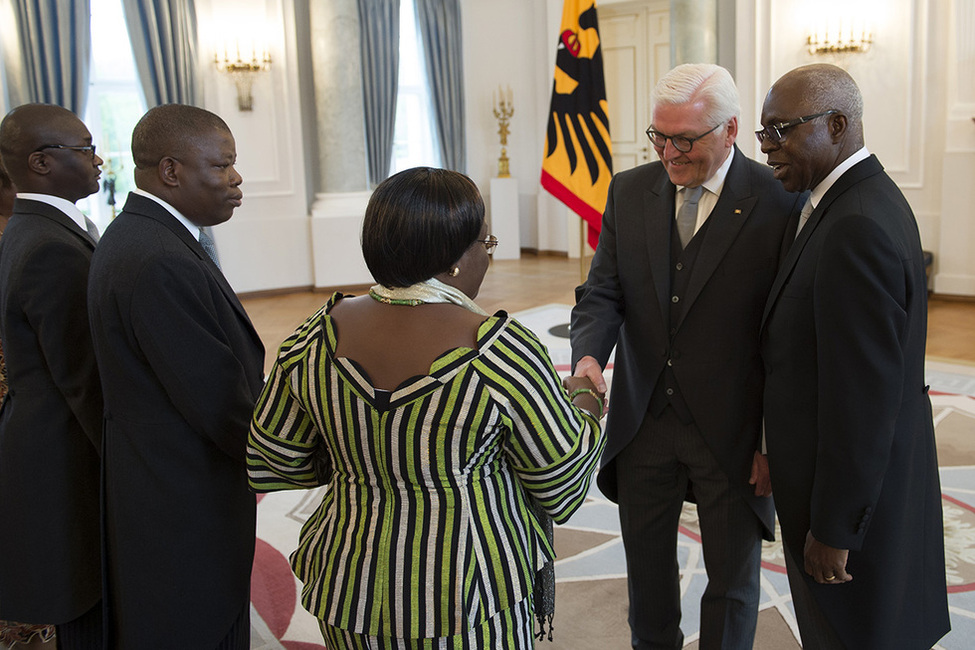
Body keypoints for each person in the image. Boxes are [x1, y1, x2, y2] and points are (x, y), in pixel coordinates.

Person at [247, 166, 606, 648]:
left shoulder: (313, 338)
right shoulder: (499, 353)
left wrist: (362, 457)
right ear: (454, 260)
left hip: (349, 586)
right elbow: (560, 485)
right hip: (470, 594)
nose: (488, 256)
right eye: (487, 243)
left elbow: (276, 461)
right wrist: (584, 399)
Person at [570, 63, 803, 649]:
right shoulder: (629, 190)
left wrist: (772, 442)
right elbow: (603, 291)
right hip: (643, 421)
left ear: (729, 131)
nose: (669, 153)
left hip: (733, 429)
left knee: (731, 584)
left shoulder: (779, 200)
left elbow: (791, 339)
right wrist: (589, 357)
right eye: (658, 136)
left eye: (685, 139)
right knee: (648, 578)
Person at [757, 63, 950, 649]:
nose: (767, 148)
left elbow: (861, 400)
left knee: (854, 632)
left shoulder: (854, 225)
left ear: (837, 124)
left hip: (854, 509)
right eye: (763, 133)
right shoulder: (845, 202)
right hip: (866, 486)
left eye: (781, 131)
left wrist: (835, 528)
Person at [87, 104, 265, 649]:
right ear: (171, 172)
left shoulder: (145, 235)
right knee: (198, 621)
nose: (236, 179)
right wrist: (290, 451)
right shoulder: (157, 257)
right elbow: (216, 400)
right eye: (222, 166)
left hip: (164, 477)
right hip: (181, 495)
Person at [0, 104, 104, 648]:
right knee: (78, 585)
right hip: (58, 444)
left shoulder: (34, 226)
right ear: (41, 162)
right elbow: (80, 376)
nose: (98, 160)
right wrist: (122, 452)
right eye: (85, 149)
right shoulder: (48, 247)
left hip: (44, 429)